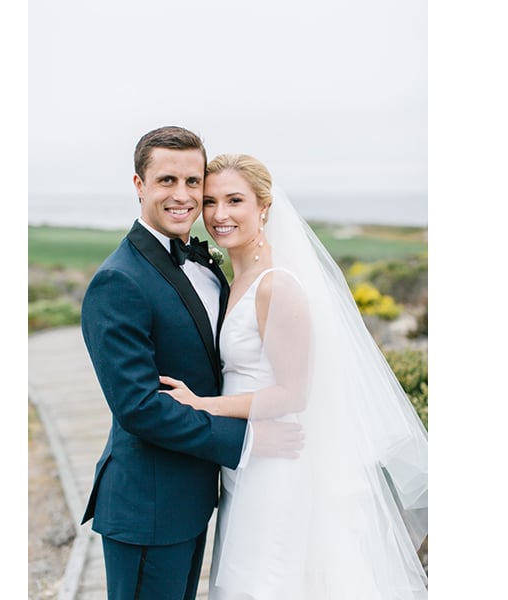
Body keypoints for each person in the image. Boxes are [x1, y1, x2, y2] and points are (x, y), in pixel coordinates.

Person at [162, 154, 429, 599]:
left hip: (279, 463)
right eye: (210, 201)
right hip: (247, 456)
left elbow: (291, 393)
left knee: (272, 578)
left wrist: (204, 405)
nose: (219, 214)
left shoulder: (276, 284)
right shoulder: (237, 277)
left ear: (264, 207)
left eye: (235, 200)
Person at [79, 128, 302, 600]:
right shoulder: (118, 281)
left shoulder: (209, 268)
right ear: (139, 185)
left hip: (199, 497)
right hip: (148, 504)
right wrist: (249, 440)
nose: (182, 196)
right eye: (166, 181)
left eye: (191, 181)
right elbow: (139, 407)